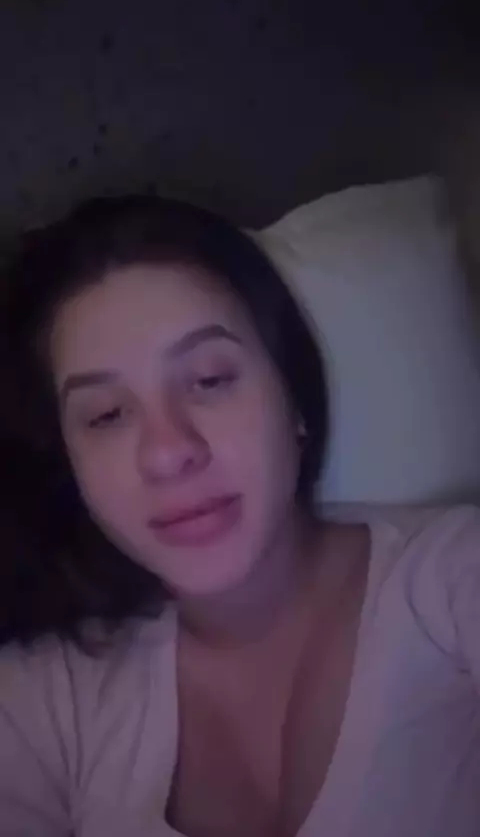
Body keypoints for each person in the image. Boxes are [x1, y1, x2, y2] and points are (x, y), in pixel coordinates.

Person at [0, 195, 479, 837]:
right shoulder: (43, 701)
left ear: (294, 399)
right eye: (107, 415)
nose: (168, 452)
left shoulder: (454, 580)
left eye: (209, 379)